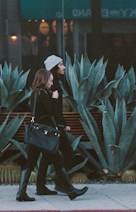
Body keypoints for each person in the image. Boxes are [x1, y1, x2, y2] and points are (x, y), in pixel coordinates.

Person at [16, 69, 87, 202]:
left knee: (30, 162)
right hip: (44, 136)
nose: (51, 83)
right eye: (50, 80)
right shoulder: (42, 94)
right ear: (43, 80)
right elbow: (51, 112)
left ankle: (22, 192)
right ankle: (71, 191)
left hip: (35, 135)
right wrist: (54, 99)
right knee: (58, 161)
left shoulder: (34, 93)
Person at [35, 54, 73, 196]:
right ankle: (60, 183)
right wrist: (62, 124)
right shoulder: (53, 85)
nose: (64, 67)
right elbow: (53, 108)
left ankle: (42, 186)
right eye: (61, 64)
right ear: (54, 67)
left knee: (47, 156)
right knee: (67, 152)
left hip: (53, 125)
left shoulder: (55, 83)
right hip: (53, 126)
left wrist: (63, 123)